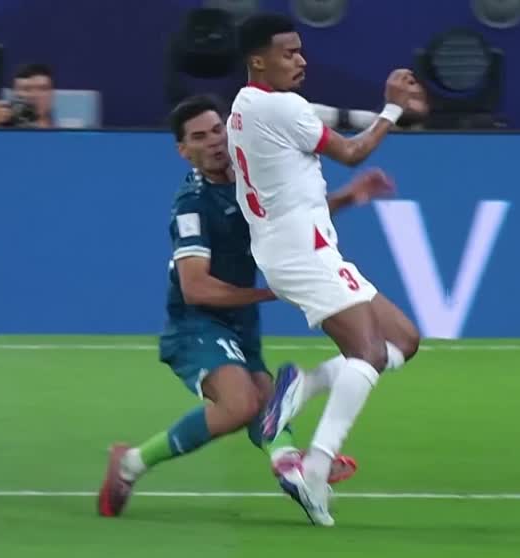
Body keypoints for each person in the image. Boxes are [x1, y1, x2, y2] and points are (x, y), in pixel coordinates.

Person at [97, 94, 396, 518]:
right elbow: (196, 288)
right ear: (183, 151)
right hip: (198, 322)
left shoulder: (248, 174)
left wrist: (348, 197)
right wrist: (271, 293)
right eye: (199, 137)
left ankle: (289, 465)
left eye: (217, 130)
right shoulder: (192, 205)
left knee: (266, 401)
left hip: (240, 318)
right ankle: (129, 465)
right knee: (241, 405)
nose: (214, 142)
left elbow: (291, 222)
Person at [226, 13, 424, 527]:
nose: (301, 60)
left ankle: (301, 385)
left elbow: (315, 135)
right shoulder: (282, 107)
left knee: (403, 341)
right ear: (258, 60)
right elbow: (353, 152)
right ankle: (315, 468)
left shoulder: (246, 106)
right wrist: (393, 108)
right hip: (301, 251)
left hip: (301, 246)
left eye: (300, 51)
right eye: (288, 52)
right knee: (368, 353)